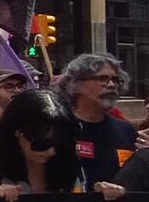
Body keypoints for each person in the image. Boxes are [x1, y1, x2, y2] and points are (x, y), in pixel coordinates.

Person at [0, 90, 82, 199]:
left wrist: (97, 200)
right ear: (18, 131)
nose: (51, 151)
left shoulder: (67, 164)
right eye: (42, 144)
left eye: (59, 144)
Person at [58, 53, 136, 186]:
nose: (111, 85)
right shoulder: (57, 127)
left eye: (116, 80)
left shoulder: (126, 130)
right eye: (102, 78)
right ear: (75, 84)